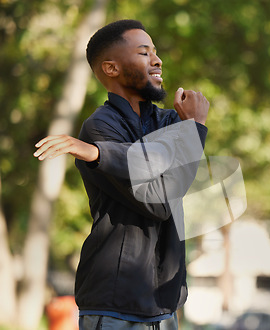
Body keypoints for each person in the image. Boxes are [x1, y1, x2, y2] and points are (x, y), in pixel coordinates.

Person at [34, 19, 209, 330]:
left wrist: (190, 130)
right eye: (144, 53)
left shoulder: (171, 121)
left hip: (165, 307)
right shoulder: (99, 127)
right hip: (115, 307)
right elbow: (159, 202)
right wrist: (192, 130)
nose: (157, 60)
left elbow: (181, 185)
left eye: (155, 52)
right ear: (111, 69)